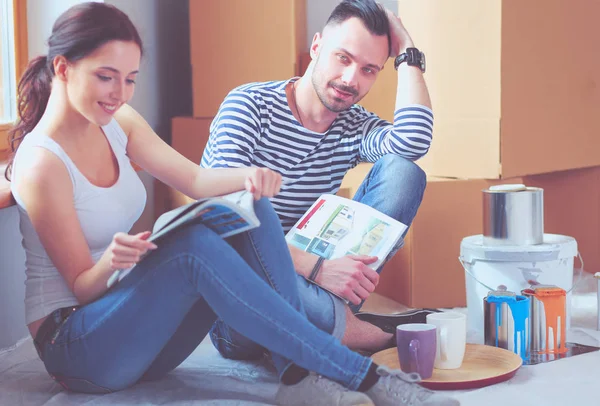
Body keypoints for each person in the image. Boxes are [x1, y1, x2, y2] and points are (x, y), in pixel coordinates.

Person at [5, 2, 458, 406]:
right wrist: (118, 260)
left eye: (129, 79)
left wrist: (250, 179)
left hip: (143, 339)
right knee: (193, 250)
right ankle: (362, 373)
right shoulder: (41, 162)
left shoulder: (117, 119)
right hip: (79, 348)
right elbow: (84, 288)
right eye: (105, 77)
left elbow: (199, 179)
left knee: (250, 205)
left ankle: (308, 361)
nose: (120, 94)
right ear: (63, 68)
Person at [202, 0, 433, 360]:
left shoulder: (353, 125)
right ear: (316, 46)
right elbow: (227, 220)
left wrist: (408, 53)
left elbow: (413, 141)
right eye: (343, 58)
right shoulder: (249, 105)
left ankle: (327, 323)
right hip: (241, 299)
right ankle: (360, 333)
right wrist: (319, 268)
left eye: (369, 69)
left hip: (319, 284)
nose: (350, 80)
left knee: (403, 172)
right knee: (245, 242)